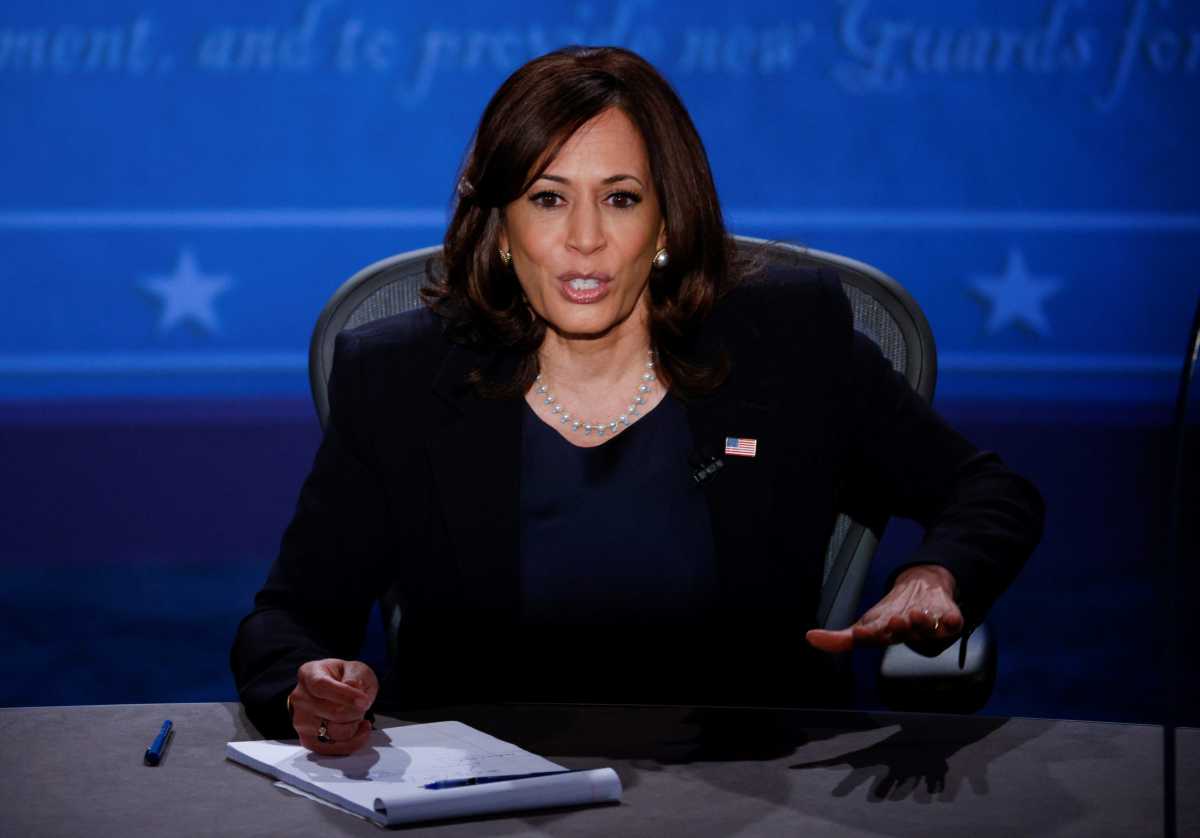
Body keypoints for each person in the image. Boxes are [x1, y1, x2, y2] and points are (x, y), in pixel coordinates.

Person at [232, 46, 1044, 756]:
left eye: (620, 198)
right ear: (503, 228)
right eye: (548, 199)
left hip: (757, 791)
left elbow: (989, 491)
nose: (584, 238)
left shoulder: (786, 344)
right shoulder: (401, 378)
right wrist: (309, 685)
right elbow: (289, 619)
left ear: (664, 224)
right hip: (483, 802)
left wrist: (935, 574)